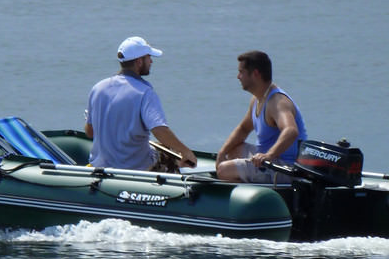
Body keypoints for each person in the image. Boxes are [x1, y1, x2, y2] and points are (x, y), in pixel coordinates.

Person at [84, 36, 197, 171]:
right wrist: (186, 152)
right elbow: (160, 130)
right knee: (168, 154)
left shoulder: (98, 88)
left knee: (159, 146)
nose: (151, 61)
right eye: (149, 57)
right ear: (139, 61)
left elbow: (90, 132)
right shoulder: (145, 92)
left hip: (101, 166)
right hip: (135, 167)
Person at [215, 50, 307, 183]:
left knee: (224, 170)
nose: (238, 76)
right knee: (233, 150)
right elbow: (243, 128)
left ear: (255, 74)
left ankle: (256, 197)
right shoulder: (257, 99)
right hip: (268, 159)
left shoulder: (277, 102)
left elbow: (291, 130)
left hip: (285, 167)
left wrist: (269, 155)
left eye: (241, 72)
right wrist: (222, 152)